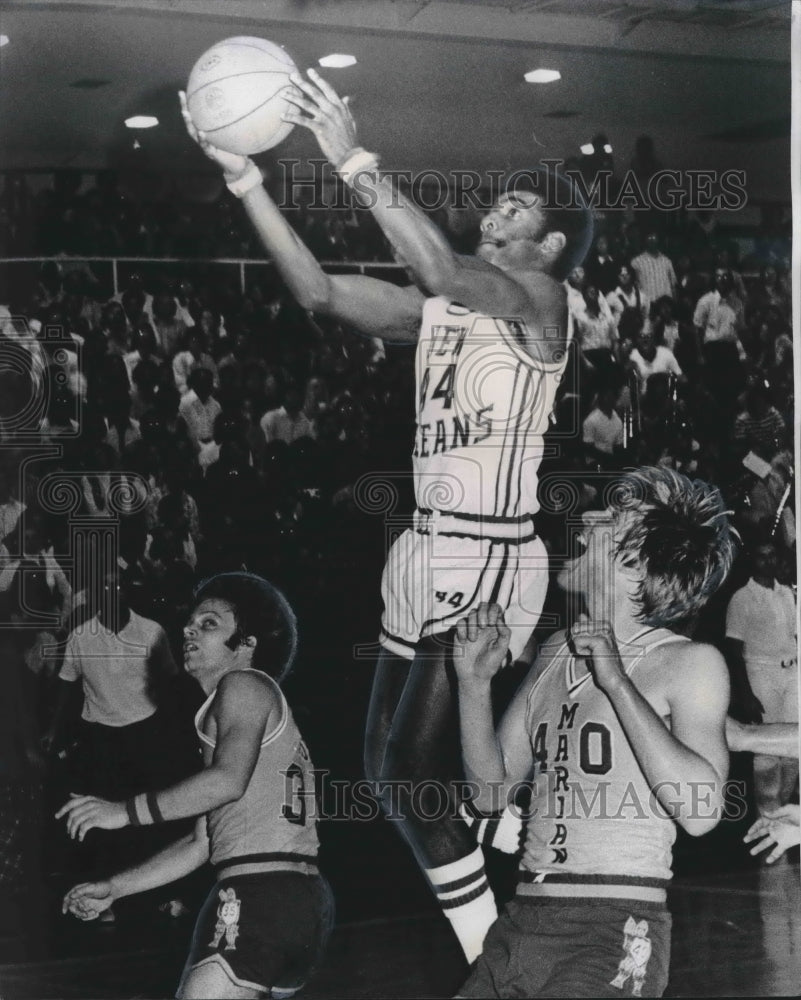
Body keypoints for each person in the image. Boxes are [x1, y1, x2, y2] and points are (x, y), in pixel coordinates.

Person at [179, 70, 591, 963]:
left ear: (551, 242)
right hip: (422, 552)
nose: (498, 208)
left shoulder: (546, 303)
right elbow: (317, 293)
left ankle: (499, 959)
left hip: (485, 553)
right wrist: (247, 182)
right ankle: (500, 843)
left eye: (517, 207)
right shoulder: (442, 307)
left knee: (407, 779)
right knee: (382, 768)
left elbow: (439, 263)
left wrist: (349, 156)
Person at [453, 466, 736, 998]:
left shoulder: (689, 662)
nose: (585, 519)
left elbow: (701, 813)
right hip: (522, 920)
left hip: (613, 925)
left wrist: (615, 680)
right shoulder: (556, 651)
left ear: (636, 565)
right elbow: (490, 793)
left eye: (607, 520)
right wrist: (473, 684)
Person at [59, 572, 333, 1000]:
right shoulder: (235, 708)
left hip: (258, 892)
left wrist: (121, 812)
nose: (188, 629)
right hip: (295, 897)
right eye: (190, 622)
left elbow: (226, 782)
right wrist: (115, 887)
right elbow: (200, 843)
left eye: (209, 624)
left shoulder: (242, 685)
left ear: (247, 645)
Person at [724, 540, 798, 817]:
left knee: (793, 741)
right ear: (752, 560)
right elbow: (733, 650)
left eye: (771, 556)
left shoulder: (787, 593)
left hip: (792, 672)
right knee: (766, 745)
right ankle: (766, 813)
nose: (767, 562)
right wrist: (746, 693)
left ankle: (784, 809)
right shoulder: (742, 598)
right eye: (761, 556)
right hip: (760, 672)